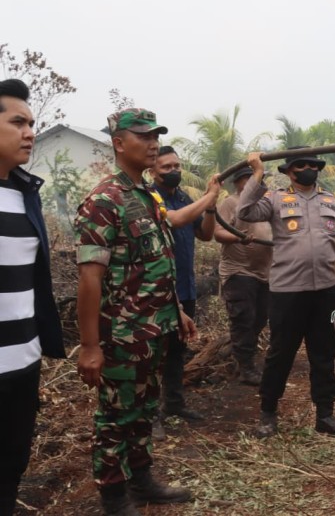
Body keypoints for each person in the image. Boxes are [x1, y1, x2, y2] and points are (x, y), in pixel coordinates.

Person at [74, 109, 197, 516]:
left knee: (144, 409)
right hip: (122, 336)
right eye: (142, 136)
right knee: (115, 418)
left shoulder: (147, 194)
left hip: (154, 329)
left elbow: (158, 260)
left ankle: (142, 481)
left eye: (156, 136)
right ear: (118, 143)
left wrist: (176, 310)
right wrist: (90, 346)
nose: (152, 143)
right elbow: (90, 279)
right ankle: (113, 498)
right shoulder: (104, 200)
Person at [237, 147, 335, 437]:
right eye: (301, 165)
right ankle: (268, 414)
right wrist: (257, 174)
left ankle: (325, 414)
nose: (308, 169)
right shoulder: (275, 199)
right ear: (288, 172)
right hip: (287, 292)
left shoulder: (331, 200)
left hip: (325, 290)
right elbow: (244, 211)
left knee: (324, 353)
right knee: (280, 354)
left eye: (313, 165)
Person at [0, 79, 65, 516]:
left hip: (23, 361)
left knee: (12, 463)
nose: (30, 133)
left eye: (32, 124)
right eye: (18, 122)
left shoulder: (26, 195)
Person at [149, 146, 219, 433]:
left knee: (177, 350)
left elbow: (206, 233)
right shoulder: (150, 198)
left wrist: (211, 206)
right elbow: (175, 219)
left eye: (176, 165)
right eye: (166, 167)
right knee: (155, 354)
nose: (174, 171)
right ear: (152, 171)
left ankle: (174, 403)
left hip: (185, 288)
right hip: (160, 291)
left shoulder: (183, 197)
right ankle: (150, 416)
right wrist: (209, 196)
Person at [213, 166, 272, 386]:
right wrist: (238, 238)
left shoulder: (267, 202)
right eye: (244, 179)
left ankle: (241, 357)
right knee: (243, 318)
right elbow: (218, 233)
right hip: (239, 270)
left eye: (252, 178)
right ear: (236, 183)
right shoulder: (231, 203)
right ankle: (246, 367)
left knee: (259, 318)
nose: (248, 182)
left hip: (264, 273)